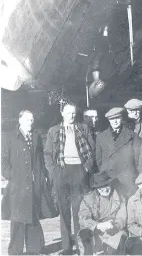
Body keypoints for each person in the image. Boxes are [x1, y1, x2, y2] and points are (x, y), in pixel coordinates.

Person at [1, 110, 55, 255]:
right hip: (17, 187)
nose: (30, 123)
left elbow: (40, 160)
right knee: (17, 219)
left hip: (34, 185)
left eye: (32, 120)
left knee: (32, 215)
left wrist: (43, 175)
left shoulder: (36, 137)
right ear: (20, 120)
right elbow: (4, 162)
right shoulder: (9, 137)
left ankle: (35, 249)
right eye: (27, 120)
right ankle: (14, 251)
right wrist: (12, 176)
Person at [44, 103, 95, 254]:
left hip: (79, 171)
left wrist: (86, 168)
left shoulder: (83, 128)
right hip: (62, 171)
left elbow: (91, 149)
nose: (71, 116)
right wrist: (54, 172)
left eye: (73, 113)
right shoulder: (53, 131)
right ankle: (67, 247)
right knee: (64, 210)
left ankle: (81, 246)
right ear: (62, 114)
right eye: (68, 113)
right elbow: (47, 154)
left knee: (78, 211)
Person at [96, 107, 142, 199]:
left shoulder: (132, 135)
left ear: (121, 118)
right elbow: (99, 160)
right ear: (108, 120)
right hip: (110, 178)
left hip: (127, 177)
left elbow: (138, 159)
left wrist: (133, 175)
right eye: (112, 119)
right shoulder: (101, 137)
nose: (115, 121)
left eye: (117, 118)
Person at [78, 172, 127, 255]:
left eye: (106, 185)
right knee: (84, 234)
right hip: (95, 232)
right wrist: (98, 225)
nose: (105, 189)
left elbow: (122, 217)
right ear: (96, 188)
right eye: (101, 187)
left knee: (121, 238)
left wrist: (115, 226)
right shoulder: (88, 199)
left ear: (110, 184)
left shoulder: (119, 197)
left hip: (113, 230)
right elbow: (83, 219)